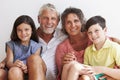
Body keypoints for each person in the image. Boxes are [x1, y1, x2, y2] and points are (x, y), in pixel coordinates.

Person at [55, 7, 120, 80]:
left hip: (98, 74)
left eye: (76, 21)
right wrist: (64, 62)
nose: (73, 25)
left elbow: (104, 38)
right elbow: (61, 72)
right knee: (68, 65)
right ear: (64, 26)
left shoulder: (93, 38)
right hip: (81, 75)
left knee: (75, 67)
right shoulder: (63, 48)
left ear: (81, 22)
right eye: (68, 22)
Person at [27, 3, 67, 80]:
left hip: (56, 78)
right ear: (39, 19)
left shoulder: (64, 36)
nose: (49, 22)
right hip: (31, 76)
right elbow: (15, 49)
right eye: (45, 18)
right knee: (34, 59)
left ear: (58, 21)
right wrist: (4, 62)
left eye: (53, 18)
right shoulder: (28, 36)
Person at [5, 15, 42, 80]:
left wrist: (26, 68)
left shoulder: (36, 46)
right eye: (19, 30)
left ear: (32, 30)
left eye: (26, 29)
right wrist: (14, 65)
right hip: (14, 72)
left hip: (30, 72)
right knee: (15, 71)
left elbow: (35, 64)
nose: (23, 33)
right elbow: (8, 62)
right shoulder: (11, 45)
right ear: (16, 31)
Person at [84, 15, 120, 80]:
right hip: (94, 77)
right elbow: (86, 70)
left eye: (96, 30)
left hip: (108, 77)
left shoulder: (114, 47)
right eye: (90, 32)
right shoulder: (88, 50)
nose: (93, 35)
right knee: (84, 77)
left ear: (105, 30)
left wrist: (102, 70)